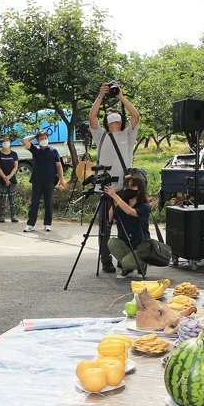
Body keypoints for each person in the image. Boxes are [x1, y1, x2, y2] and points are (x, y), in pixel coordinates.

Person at [88, 82, 141, 274]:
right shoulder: (101, 135)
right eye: (111, 120)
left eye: (117, 119)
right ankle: (105, 260)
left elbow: (136, 116)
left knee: (126, 227)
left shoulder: (129, 133)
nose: (114, 123)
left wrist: (120, 96)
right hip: (106, 187)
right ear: (107, 122)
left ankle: (124, 259)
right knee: (105, 227)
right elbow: (91, 117)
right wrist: (100, 96)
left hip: (125, 187)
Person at [105, 172, 151, 278]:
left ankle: (140, 264)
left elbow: (130, 212)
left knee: (126, 262)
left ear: (140, 190)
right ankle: (129, 266)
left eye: (133, 186)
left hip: (141, 246)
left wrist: (116, 197)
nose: (129, 189)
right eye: (127, 186)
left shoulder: (144, 206)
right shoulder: (121, 203)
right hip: (127, 244)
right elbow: (109, 220)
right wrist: (113, 202)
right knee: (112, 242)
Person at [22, 131, 65, 232]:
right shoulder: (35, 150)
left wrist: (62, 178)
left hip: (49, 180)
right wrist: (35, 135)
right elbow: (25, 140)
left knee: (48, 203)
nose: (44, 140)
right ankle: (30, 224)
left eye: (45, 138)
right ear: (38, 140)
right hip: (37, 180)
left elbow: (59, 165)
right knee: (34, 203)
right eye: (41, 138)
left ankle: (47, 224)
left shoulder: (53, 151)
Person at [0, 134, 19, 223]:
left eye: (7, 140)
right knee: (2, 199)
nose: (6, 142)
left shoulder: (14, 154)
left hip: (12, 180)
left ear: (10, 142)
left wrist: (9, 177)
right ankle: (2, 216)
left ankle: (13, 216)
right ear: (1, 143)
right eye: (4, 141)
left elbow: (16, 166)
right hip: (1, 180)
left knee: (12, 199)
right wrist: (5, 178)